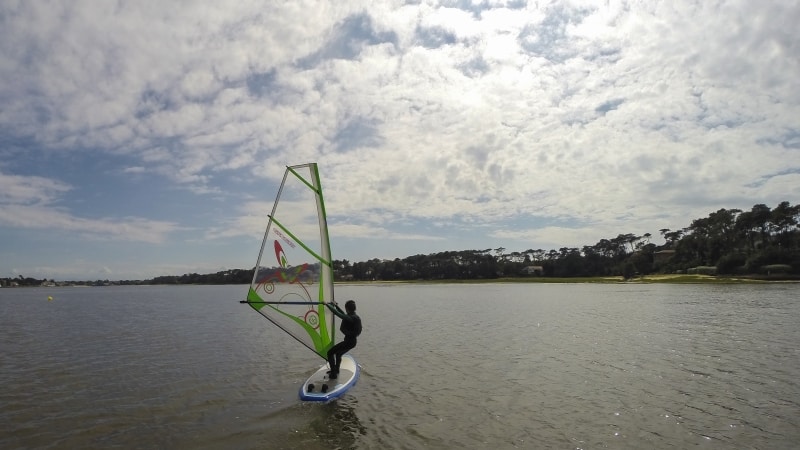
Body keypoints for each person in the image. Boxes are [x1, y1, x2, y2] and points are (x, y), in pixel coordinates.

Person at [325, 299, 361, 379]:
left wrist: (327, 305)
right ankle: (336, 370)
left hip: (349, 342)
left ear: (347, 308)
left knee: (330, 353)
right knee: (338, 354)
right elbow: (343, 314)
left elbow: (339, 314)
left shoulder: (352, 318)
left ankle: (333, 374)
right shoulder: (353, 316)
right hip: (352, 342)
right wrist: (336, 306)